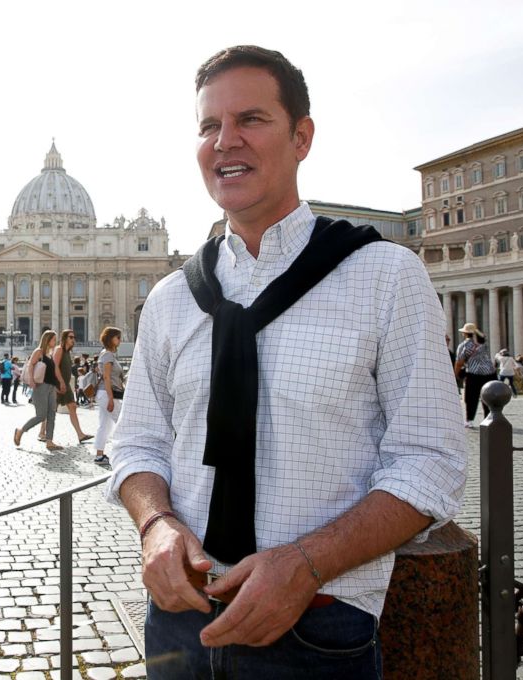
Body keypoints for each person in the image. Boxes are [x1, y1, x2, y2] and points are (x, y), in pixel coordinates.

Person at [105, 46, 467, 678]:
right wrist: (156, 524)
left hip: (321, 623)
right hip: (179, 622)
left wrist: (306, 563)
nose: (225, 141)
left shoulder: (385, 277)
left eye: (251, 119)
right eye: (208, 127)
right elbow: (137, 444)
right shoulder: (168, 300)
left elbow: (431, 462)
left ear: (302, 137)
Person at [14, 330, 64, 451]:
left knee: (52, 415)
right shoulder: (39, 352)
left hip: (51, 387)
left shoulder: (50, 354)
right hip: (40, 386)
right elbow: (31, 365)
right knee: (41, 416)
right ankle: (21, 431)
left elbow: (53, 371)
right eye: (53, 339)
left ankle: (49, 441)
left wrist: (60, 383)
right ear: (47, 340)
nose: (55, 342)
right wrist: (31, 380)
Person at [50, 330, 93, 444]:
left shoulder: (67, 352)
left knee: (73, 407)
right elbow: (54, 366)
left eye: (74, 337)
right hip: (58, 384)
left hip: (65, 384)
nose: (73, 339)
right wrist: (60, 382)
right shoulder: (59, 349)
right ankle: (40, 432)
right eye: (71, 337)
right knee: (50, 410)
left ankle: (80, 434)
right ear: (64, 338)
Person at [93, 327, 124, 465]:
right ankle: (125, 453)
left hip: (105, 393)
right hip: (108, 394)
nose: (120, 340)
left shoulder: (106, 354)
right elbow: (106, 377)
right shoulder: (108, 355)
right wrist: (110, 399)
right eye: (118, 337)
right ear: (111, 338)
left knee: (104, 425)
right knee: (122, 423)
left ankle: (99, 455)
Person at [455, 323, 496, 427]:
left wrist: (455, 374)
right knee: (487, 397)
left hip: (474, 374)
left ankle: (469, 420)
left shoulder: (464, 345)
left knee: (471, 398)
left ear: (464, 333)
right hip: (490, 374)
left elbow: (459, 362)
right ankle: (488, 418)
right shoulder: (483, 344)